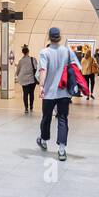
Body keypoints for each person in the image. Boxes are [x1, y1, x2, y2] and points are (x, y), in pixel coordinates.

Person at [35, 27, 80, 162]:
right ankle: (61, 150)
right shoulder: (67, 51)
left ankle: (43, 140)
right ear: (60, 37)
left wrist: (41, 86)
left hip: (49, 93)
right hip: (64, 93)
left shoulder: (44, 52)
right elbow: (77, 67)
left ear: (49, 37)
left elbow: (43, 70)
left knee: (46, 117)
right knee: (62, 119)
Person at [15, 44, 37, 114]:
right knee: (31, 93)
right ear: (28, 52)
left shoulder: (20, 61)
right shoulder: (33, 59)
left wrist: (19, 76)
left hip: (24, 80)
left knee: (25, 93)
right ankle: (31, 106)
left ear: (23, 52)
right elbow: (36, 68)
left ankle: (26, 108)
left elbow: (18, 71)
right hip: (32, 80)